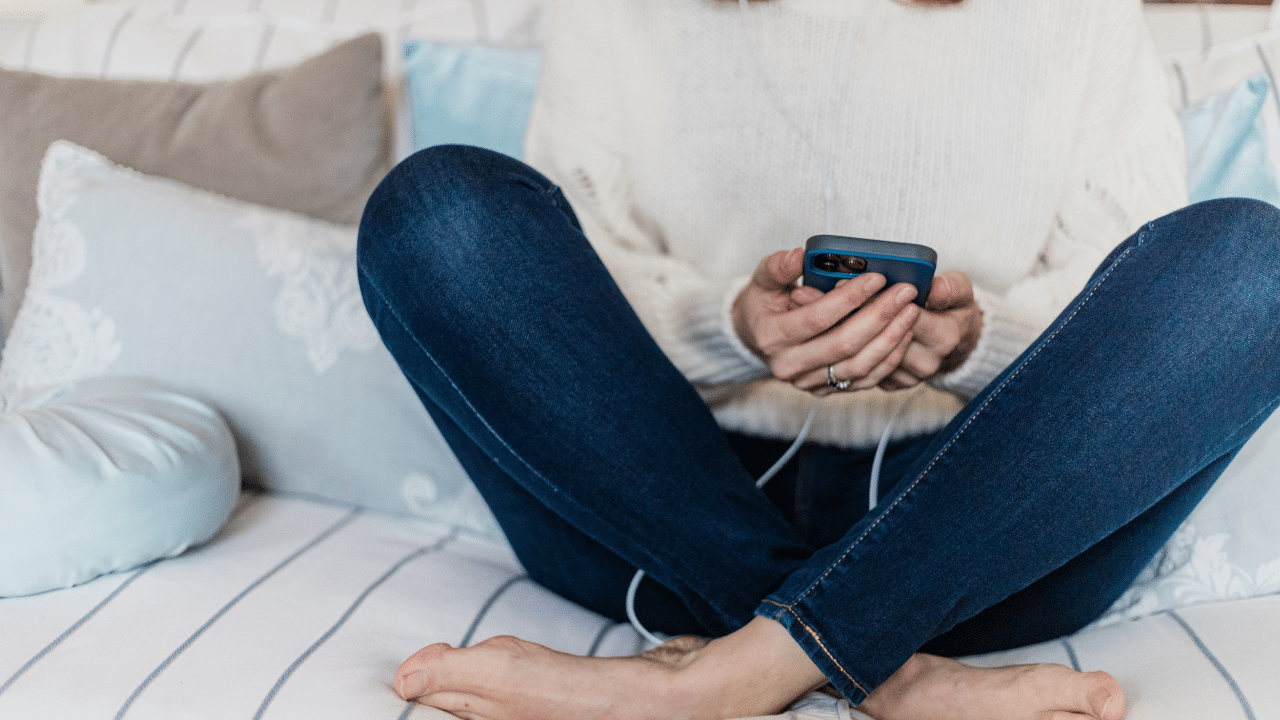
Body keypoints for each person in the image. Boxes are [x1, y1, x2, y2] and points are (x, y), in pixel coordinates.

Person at [355, 0, 1280, 718]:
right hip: (659, 505)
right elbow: (567, 287)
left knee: (1254, 263)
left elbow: (1130, 294)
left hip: (979, 523)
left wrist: (965, 342)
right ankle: (888, 672)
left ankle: (700, 685)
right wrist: (734, 329)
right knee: (436, 212)